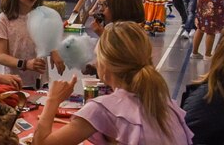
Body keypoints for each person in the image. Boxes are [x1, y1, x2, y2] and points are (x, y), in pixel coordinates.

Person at [31, 22, 192, 145]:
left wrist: (52, 100)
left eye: (98, 57)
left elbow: (42, 143)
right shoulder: (167, 104)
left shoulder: (103, 108)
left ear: (106, 65)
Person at [0, 0, 55, 87]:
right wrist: (25, 64)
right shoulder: (3, 20)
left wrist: (54, 51)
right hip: (15, 83)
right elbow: (1, 56)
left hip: (41, 83)